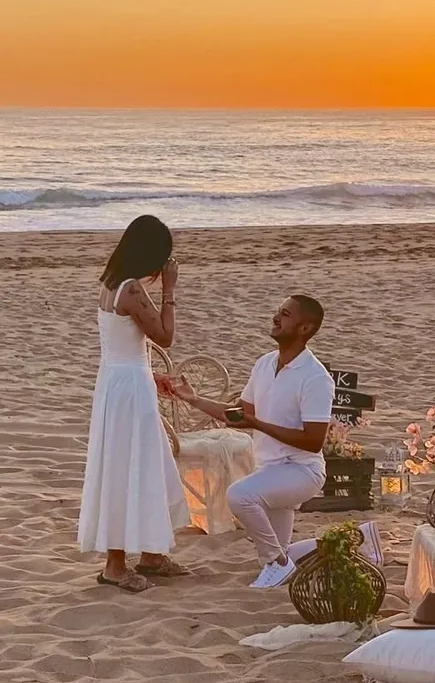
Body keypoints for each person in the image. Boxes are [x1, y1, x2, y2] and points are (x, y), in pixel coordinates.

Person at [174, 295, 333, 588]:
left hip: (302, 471)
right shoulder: (264, 364)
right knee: (278, 551)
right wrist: (193, 399)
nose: (276, 318)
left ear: (304, 328)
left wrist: (258, 424)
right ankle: (343, 545)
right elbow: (240, 416)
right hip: (269, 469)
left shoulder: (316, 378)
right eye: (278, 311)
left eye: (285, 314)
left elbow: (313, 441)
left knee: (239, 496)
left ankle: (278, 562)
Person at [79, 214, 192, 592]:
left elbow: (125, 344)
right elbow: (165, 335)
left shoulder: (110, 284)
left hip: (120, 379)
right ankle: (114, 565)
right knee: (127, 465)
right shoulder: (131, 290)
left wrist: (149, 373)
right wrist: (170, 290)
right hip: (127, 387)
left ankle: (151, 554)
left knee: (144, 462)